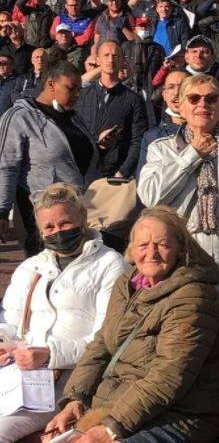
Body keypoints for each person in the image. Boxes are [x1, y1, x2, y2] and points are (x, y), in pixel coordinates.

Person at [44, 206, 219, 442]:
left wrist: (111, 428)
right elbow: (101, 343)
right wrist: (75, 398)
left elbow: (169, 377)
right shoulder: (127, 283)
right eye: (142, 245)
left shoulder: (193, 297)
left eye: (162, 244)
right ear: (131, 249)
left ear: (180, 249)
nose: (151, 253)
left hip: (180, 417)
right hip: (122, 408)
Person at [0, 183, 127, 443]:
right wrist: (3, 341)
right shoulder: (31, 267)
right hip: (16, 377)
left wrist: (49, 353)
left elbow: (106, 339)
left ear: (82, 217)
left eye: (65, 223)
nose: (57, 232)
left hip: (68, 382)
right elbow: (9, 320)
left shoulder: (110, 264)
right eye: (49, 227)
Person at [138, 75, 219, 319]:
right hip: (183, 258)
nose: (202, 105)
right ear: (181, 107)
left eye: (211, 98)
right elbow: (150, 196)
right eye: (194, 98)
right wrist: (193, 154)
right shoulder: (162, 149)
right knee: (187, 338)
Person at [0, 61, 97, 255]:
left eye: (79, 89)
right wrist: (2, 210)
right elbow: (6, 166)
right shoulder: (19, 117)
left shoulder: (74, 118)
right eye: (71, 88)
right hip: (42, 215)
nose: (77, 95)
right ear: (51, 85)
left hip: (77, 210)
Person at [77, 41, 148, 179]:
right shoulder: (82, 95)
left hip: (115, 176)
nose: (110, 59)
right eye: (106, 55)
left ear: (122, 60)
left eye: (115, 56)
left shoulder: (134, 100)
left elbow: (138, 140)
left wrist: (122, 172)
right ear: (97, 60)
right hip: (82, 172)